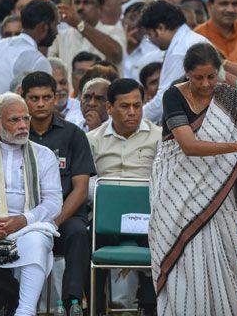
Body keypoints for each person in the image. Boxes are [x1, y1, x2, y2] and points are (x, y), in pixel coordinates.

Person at [149, 43, 237, 315]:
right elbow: (189, 146)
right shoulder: (173, 97)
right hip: (175, 192)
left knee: (220, 260)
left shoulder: (228, 97)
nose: (206, 83)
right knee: (181, 265)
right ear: (187, 73)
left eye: (211, 76)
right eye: (198, 77)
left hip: (218, 196)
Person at [0, 72, 95, 311]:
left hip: (62, 215)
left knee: (79, 232)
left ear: (56, 98)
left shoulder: (73, 134)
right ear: (22, 98)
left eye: (47, 97)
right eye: (34, 98)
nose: (41, 104)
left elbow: (81, 188)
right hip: (13, 214)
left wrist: (51, 221)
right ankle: (10, 304)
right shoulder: (10, 132)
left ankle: (72, 302)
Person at [0, 93, 62, 316]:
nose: (23, 126)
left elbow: (54, 202)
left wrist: (23, 220)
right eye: (14, 120)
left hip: (27, 227)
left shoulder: (44, 156)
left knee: (37, 240)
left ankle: (25, 311)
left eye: (25, 119)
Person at [87, 78, 161, 315]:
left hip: (147, 217)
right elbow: (86, 182)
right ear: (109, 108)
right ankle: (97, 307)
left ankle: (149, 307)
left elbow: (163, 180)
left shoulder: (159, 137)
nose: (132, 112)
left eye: (137, 106)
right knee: (84, 238)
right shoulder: (93, 140)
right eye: (124, 106)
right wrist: (110, 198)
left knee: (160, 237)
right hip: (104, 218)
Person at [140, 0, 211, 123]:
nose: (150, 40)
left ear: (160, 28)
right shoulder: (188, 40)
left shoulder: (180, 50)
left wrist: (135, 118)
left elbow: (164, 100)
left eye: (149, 35)